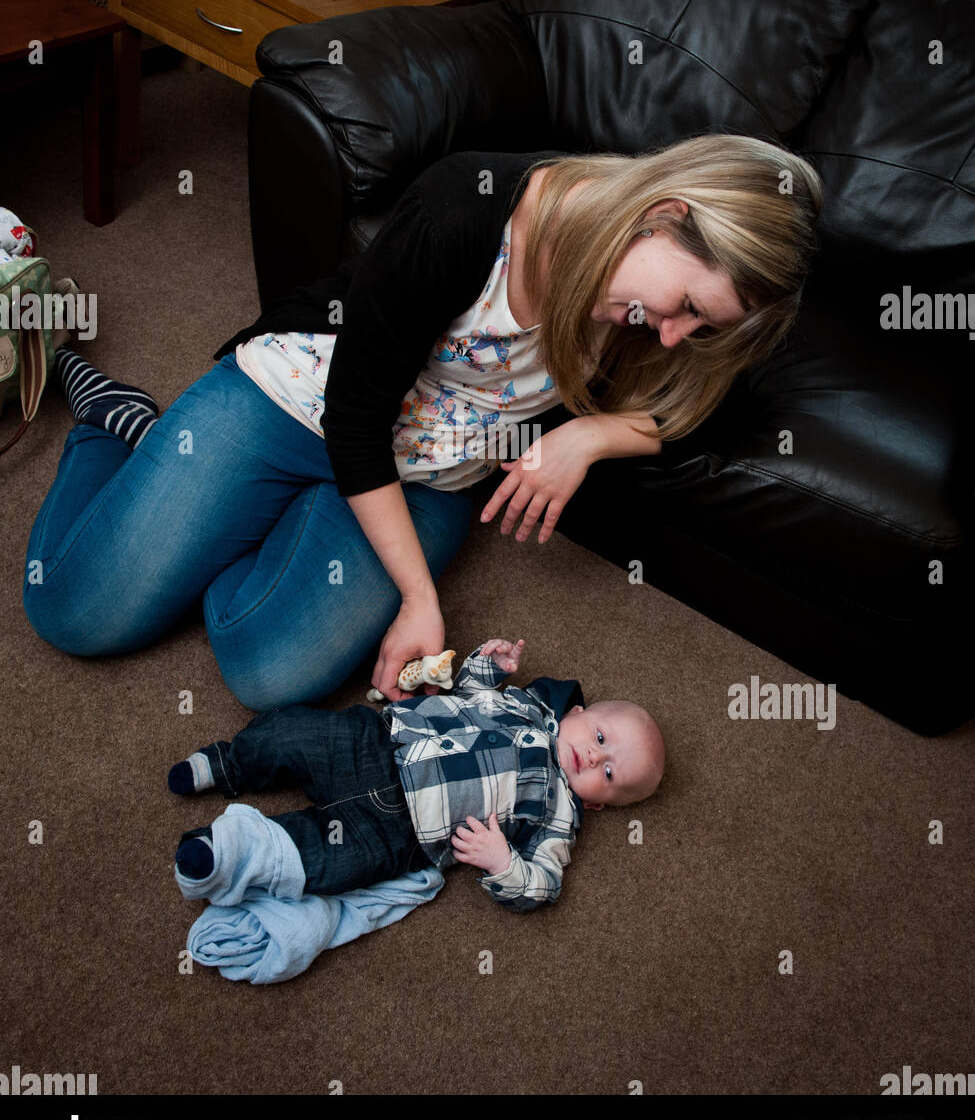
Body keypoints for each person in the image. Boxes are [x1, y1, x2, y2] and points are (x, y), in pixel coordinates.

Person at [22, 136, 822, 709]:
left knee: (269, 674)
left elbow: (715, 410)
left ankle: (265, 513)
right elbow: (357, 418)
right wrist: (418, 600)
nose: (675, 335)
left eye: (701, 327)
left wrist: (590, 434)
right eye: (686, 307)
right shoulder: (463, 208)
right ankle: (113, 424)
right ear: (662, 213)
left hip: (433, 474)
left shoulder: (657, 311)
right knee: (76, 614)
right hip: (309, 400)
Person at [169, 637, 666, 912]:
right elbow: (468, 691)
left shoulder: (560, 815)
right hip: (377, 742)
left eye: (608, 775)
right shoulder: (528, 704)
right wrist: (488, 666)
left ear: (598, 803)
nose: (593, 760)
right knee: (296, 733)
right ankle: (229, 764)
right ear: (577, 712)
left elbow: (543, 886)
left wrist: (501, 863)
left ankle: (226, 853)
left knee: (323, 863)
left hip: (399, 833)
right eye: (600, 740)